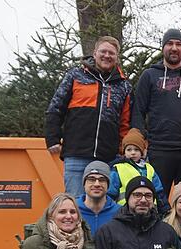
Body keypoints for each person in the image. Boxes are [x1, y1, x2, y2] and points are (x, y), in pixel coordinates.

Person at [45, 35, 133, 197]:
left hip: (108, 157)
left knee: (106, 207)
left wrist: (124, 149)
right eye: (103, 51)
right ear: (94, 53)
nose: (107, 56)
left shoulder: (124, 85)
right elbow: (56, 107)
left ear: (117, 57)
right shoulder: (75, 76)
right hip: (76, 154)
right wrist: (53, 138)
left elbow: (125, 122)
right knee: (76, 206)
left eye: (111, 53)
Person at [131, 29, 181, 198]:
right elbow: (137, 112)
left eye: (178, 44)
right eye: (170, 44)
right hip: (158, 150)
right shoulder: (149, 75)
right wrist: (141, 144)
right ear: (163, 47)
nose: (174, 48)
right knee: (155, 201)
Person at [108, 128, 170, 215]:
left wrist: (165, 209)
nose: (132, 153)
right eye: (129, 150)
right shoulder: (118, 168)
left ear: (142, 152)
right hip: (125, 212)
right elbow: (110, 193)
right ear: (124, 151)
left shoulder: (149, 168)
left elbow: (159, 192)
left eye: (136, 149)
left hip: (150, 211)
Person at [77, 161, 121, 235]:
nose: (97, 184)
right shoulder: (73, 211)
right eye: (91, 179)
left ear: (108, 185)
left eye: (102, 180)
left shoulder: (120, 212)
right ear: (84, 184)